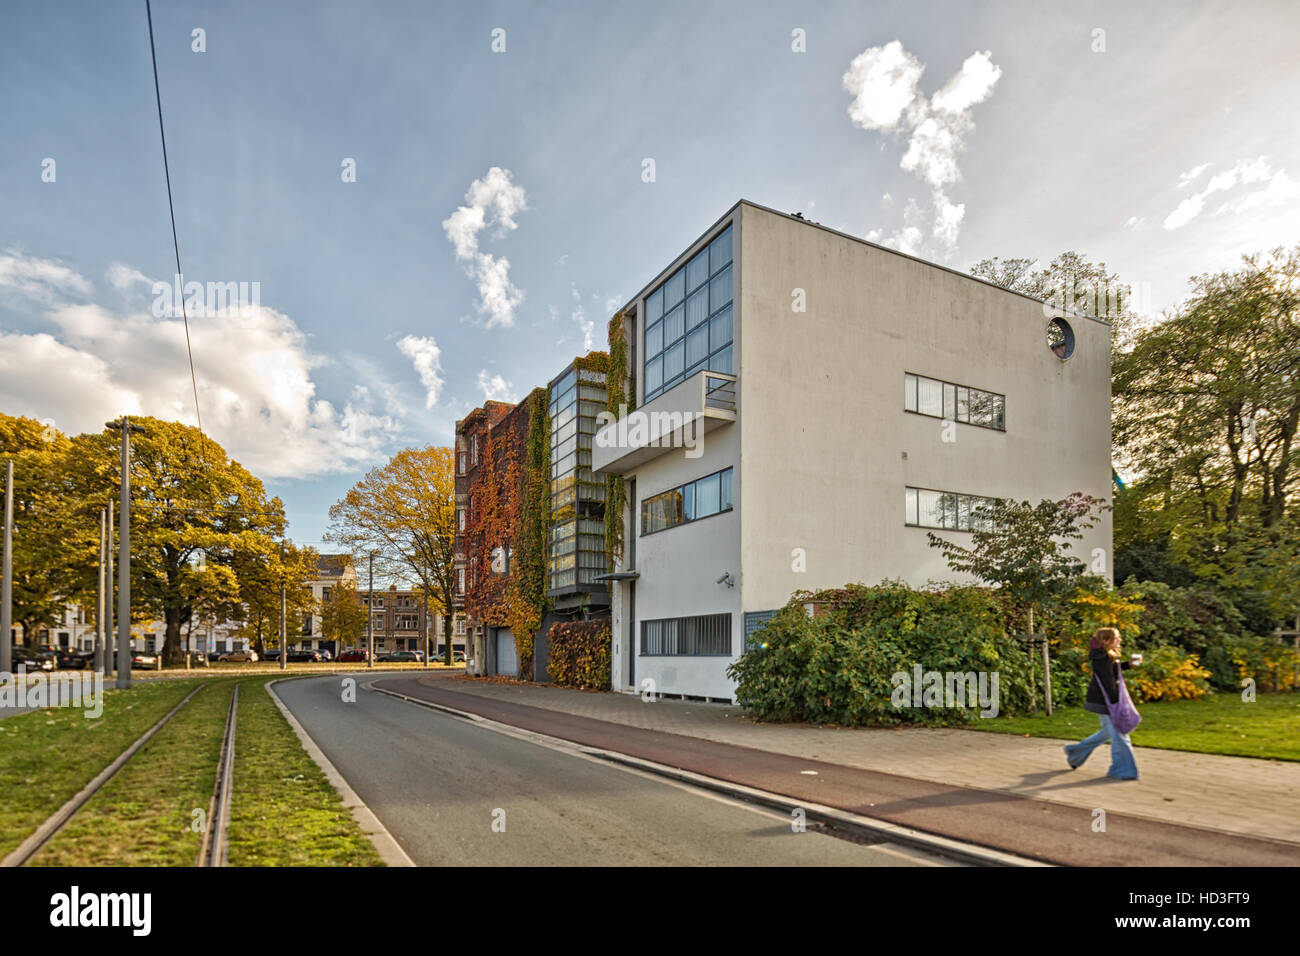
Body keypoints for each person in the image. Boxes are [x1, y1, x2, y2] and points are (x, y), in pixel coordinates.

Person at [1063, 627, 1141, 780]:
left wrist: (1128, 665)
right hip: (1105, 701)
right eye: (1116, 638)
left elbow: (1112, 671)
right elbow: (1107, 682)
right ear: (1106, 641)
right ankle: (1123, 770)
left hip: (1105, 699)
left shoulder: (1107, 655)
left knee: (1107, 733)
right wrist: (1116, 704)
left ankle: (1075, 753)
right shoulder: (1102, 657)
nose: (1120, 640)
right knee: (1120, 735)